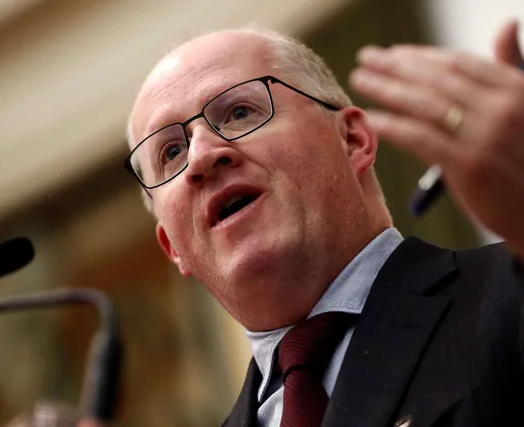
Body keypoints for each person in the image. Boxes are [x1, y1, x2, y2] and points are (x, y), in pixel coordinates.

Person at [124, 17, 524, 427]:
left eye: (240, 112)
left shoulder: (508, 293)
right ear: (172, 246)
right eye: (171, 152)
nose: (202, 156)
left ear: (352, 140)